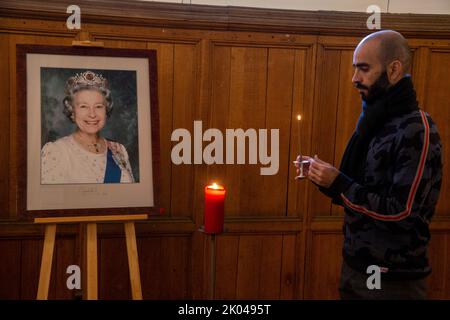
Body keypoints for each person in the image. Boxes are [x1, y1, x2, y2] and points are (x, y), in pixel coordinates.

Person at [296, 30, 442, 299]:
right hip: (356, 266)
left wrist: (338, 182)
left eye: (363, 69)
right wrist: (324, 176)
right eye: (355, 69)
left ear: (394, 70)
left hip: (394, 279)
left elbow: (403, 214)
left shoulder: (417, 129)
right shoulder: (375, 120)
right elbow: (359, 190)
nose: (354, 79)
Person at [41, 70, 135, 184]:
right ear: (72, 111)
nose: (92, 114)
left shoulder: (119, 150)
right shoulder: (57, 151)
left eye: (98, 106)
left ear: (106, 110)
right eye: (83, 106)